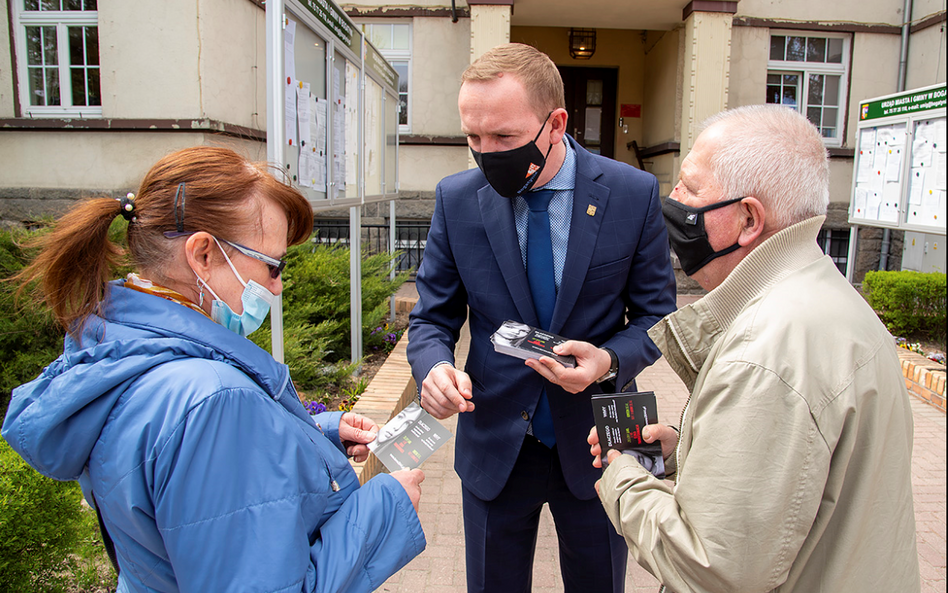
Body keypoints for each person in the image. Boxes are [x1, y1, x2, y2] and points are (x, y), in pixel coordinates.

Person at [2, 146, 427, 593]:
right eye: (272, 265)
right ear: (203, 253)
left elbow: (176, 481)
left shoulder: (120, 346)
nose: (277, 287)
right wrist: (388, 506)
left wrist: (312, 435)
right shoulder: (214, 398)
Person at [588, 104, 921, 592]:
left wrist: (623, 479)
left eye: (691, 188)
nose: (673, 199)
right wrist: (686, 451)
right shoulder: (823, 294)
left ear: (748, 219)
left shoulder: (766, 351)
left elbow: (711, 568)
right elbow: (804, 474)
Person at [407, 43, 677, 593]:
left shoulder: (632, 193)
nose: (486, 154)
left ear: (556, 123)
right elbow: (431, 318)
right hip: (495, 440)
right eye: (474, 138)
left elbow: (657, 315)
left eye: (504, 138)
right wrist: (432, 367)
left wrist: (607, 359)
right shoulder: (457, 199)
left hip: (604, 439)